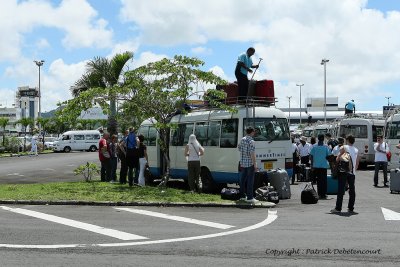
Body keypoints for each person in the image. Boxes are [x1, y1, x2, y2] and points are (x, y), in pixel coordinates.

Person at [331, 134, 360, 214]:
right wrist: (353, 170)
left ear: (347, 140)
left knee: (341, 189)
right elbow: (357, 163)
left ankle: (338, 208)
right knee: (352, 190)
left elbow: (338, 158)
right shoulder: (356, 150)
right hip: (352, 172)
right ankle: (351, 208)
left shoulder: (344, 147)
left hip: (343, 171)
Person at [238, 127, 258, 204]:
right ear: (252, 132)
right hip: (250, 163)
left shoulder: (242, 139)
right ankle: (250, 197)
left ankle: (242, 196)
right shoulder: (251, 141)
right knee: (250, 180)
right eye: (254, 132)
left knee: (242, 180)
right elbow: (252, 154)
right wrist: (255, 164)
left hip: (243, 163)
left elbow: (239, 148)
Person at [310, 134, 332, 199]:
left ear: (318, 139)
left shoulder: (314, 146)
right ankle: (324, 194)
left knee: (318, 181)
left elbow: (311, 156)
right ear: (323, 139)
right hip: (324, 166)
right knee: (324, 181)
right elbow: (329, 156)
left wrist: (311, 165)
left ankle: (319, 194)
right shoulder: (326, 147)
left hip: (316, 166)